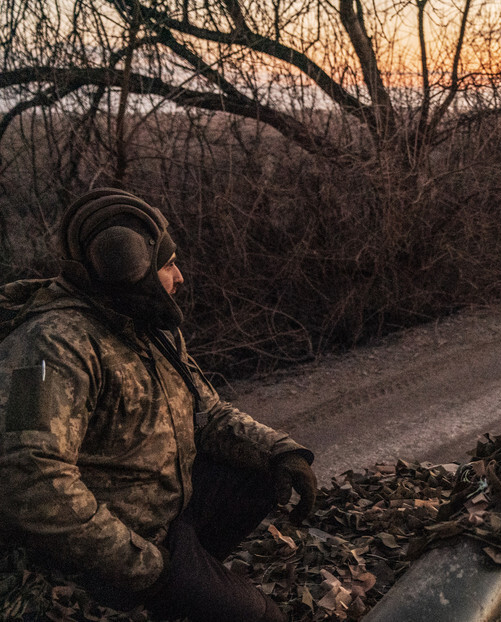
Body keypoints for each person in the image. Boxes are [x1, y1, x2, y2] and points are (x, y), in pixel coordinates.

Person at [0, 188, 319, 621]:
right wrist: (146, 567)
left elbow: (208, 413)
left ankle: (181, 593)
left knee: (259, 471)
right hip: (106, 551)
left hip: (165, 517)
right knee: (265, 618)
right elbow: (30, 478)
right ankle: (157, 594)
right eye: (168, 265)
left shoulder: (147, 324)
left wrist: (280, 451)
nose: (180, 277)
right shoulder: (50, 345)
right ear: (127, 268)